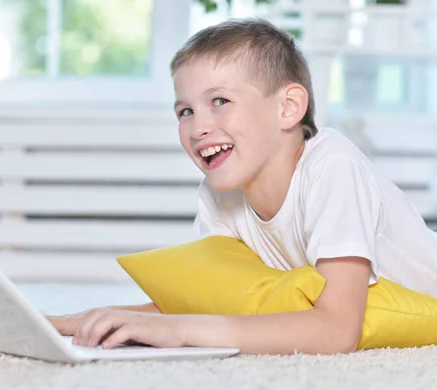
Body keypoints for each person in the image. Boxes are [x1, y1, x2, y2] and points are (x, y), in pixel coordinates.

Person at [46, 18, 437, 355]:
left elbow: (337, 330)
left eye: (219, 100)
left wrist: (182, 332)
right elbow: (209, 302)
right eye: (185, 110)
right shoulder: (218, 194)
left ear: (287, 108)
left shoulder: (332, 166)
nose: (197, 127)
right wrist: (75, 321)